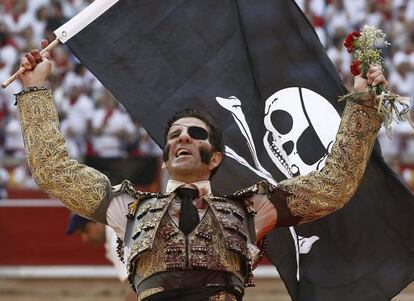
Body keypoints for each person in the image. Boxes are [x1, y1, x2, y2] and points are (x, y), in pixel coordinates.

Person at [15, 40, 385, 301]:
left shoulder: (252, 211)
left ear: (215, 159)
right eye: (174, 136)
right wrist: (34, 90)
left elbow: (333, 186)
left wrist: (363, 108)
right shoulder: (127, 210)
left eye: (196, 134)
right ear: (164, 158)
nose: (183, 139)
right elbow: (53, 170)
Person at [65, 214, 136, 301]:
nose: (85, 239)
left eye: (85, 230)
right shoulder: (117, 228)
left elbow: (135, 289)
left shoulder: (116, 241)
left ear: (97, 221)